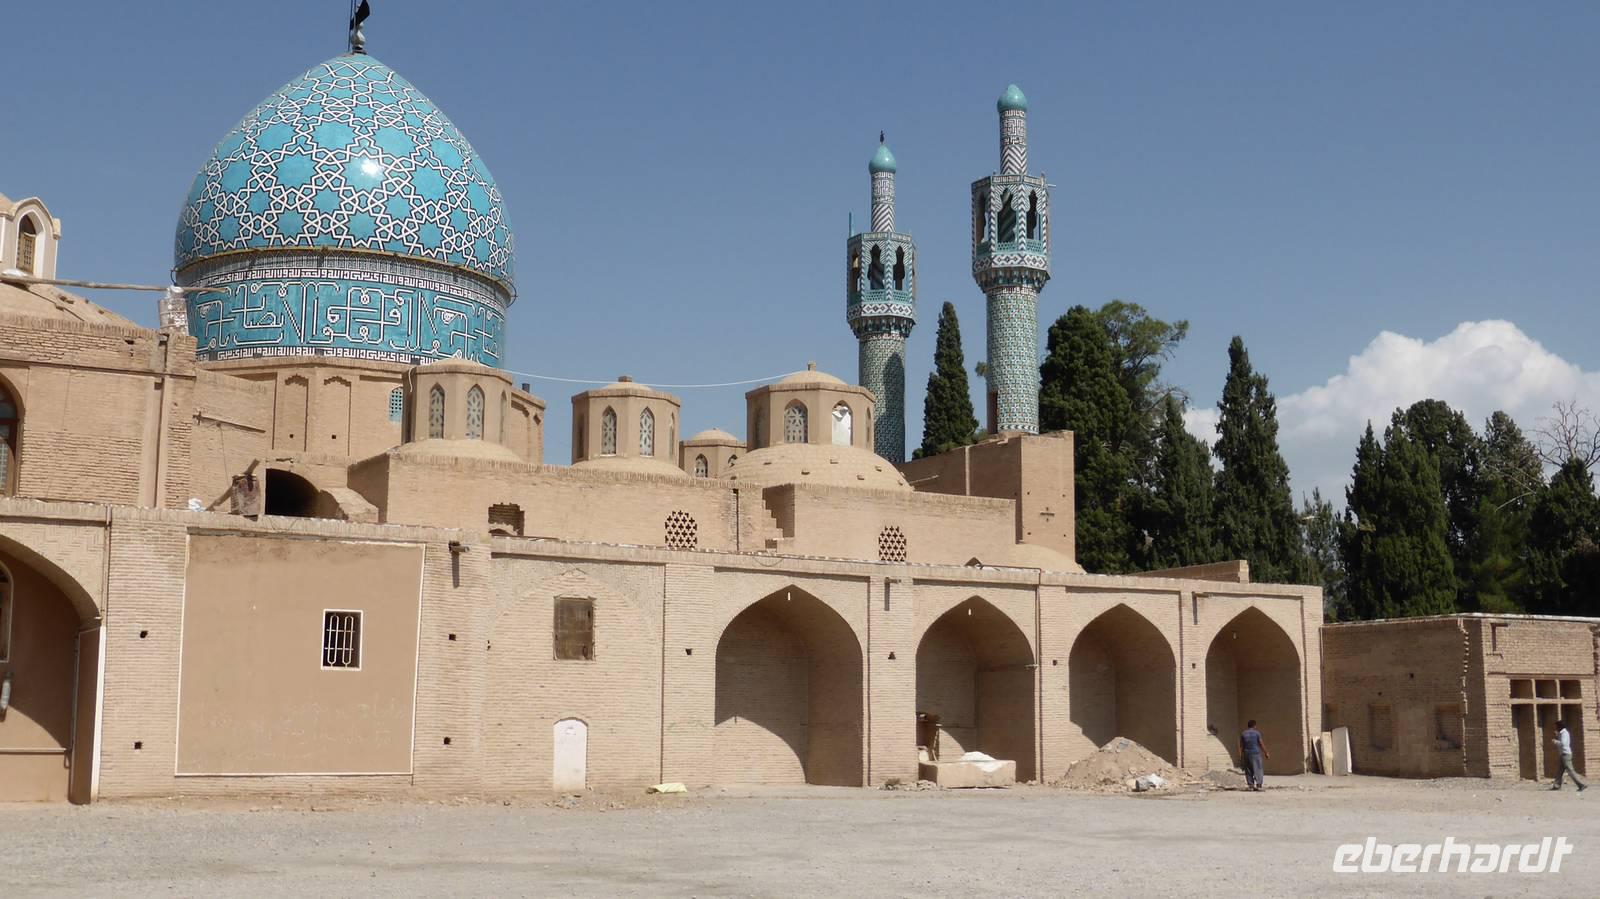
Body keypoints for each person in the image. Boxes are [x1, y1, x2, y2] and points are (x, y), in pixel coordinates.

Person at [1550, 720, 1587, 792]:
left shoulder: (1564, 733)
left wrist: (1555, 741)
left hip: (1565, 754)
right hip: (1563, 754)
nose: (1556, 727)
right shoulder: (1562, 733)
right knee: (1559, 771)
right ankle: (1556, 785)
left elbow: (1563, 744)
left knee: (1570, 770)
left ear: (1560, 726)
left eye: (1556, 726)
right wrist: (1557, 736)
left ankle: (1581, 785)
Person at [1240, 720, 1269, 791]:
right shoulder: (1257, 733)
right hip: (1255, 753)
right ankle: (1259, 785)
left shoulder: (1243, 733)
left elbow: (1241, 746)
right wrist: (1266, 752)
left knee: (1248, 770)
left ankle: (1250, 785)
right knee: (1258, 768)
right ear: (1254, 725)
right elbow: (1261, 743)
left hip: (1246, 753)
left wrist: (1240, 756)